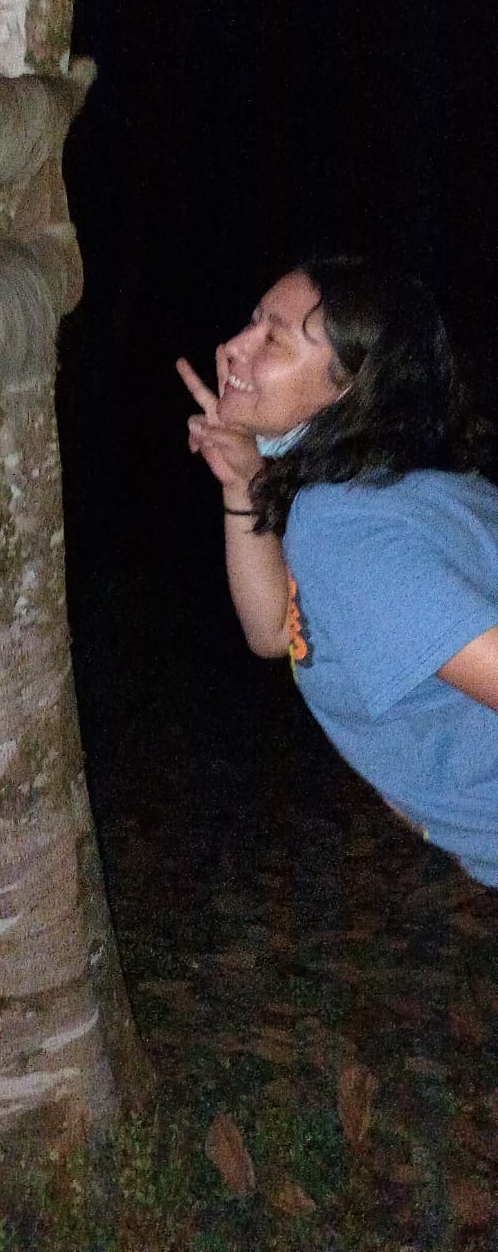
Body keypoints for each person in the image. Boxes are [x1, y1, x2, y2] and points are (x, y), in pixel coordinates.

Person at [176, 255, 498, 887]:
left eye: (274, 339)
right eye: (251, 322)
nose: (232, 348)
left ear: (353, 384)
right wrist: (245, 484)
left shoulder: (346, 525)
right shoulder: (413, 487)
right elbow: (279, 632)